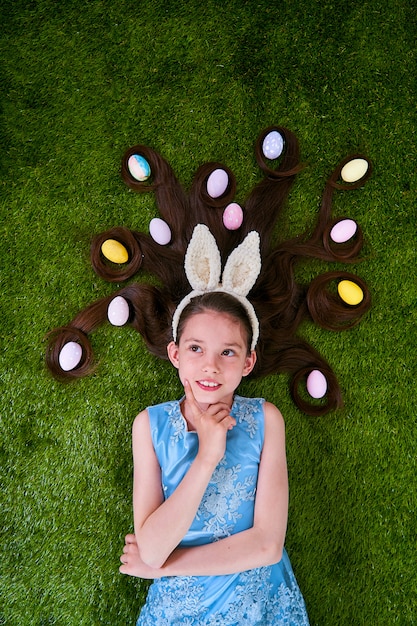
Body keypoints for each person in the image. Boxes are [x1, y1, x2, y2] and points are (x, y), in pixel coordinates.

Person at [119, 290, 310, 625]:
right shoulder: (150, 425)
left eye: (228, 352)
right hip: (179, 611)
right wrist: (207, 456)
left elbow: (267, 546)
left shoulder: (266, 420)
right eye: (196, 348)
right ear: (175, 354)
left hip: (256, 606)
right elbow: (150, 548)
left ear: (247, 362)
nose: (211, 365)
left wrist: (164, 566)